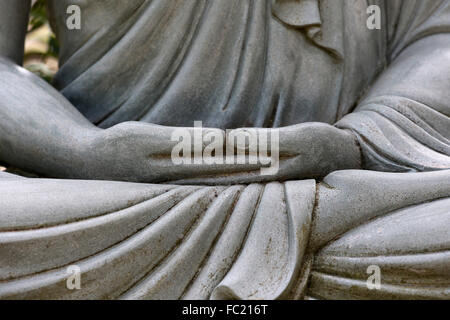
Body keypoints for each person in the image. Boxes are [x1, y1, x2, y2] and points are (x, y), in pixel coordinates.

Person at [0, 0, 449, 299]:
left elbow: (437, 31)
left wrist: (361, 140)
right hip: (103, 196)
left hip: (345, 182)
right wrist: (82, 150)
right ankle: (297, 240)